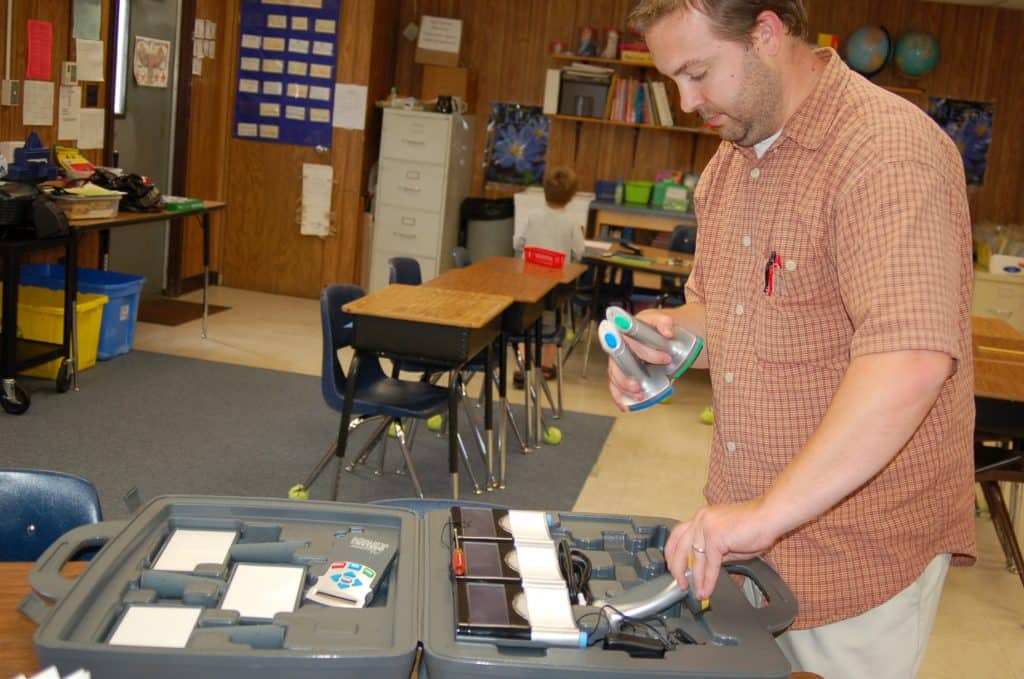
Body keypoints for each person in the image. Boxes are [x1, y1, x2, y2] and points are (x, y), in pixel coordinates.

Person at [610, 2, 976, 677]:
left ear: (767, 33)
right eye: (671, 80)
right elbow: (727, 315)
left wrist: (765, 514)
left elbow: (911, 361)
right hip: (746, 547)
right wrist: (667, 339)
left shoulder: (887, 153)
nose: (686, 102)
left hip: (858, 562)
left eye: (697, 72)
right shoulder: (729, 166)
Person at [514, 166, 585, 383]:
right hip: (555, 285)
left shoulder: (532, 216)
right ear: (571, 196)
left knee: (525, 319)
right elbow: (579, 252)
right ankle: (547, 365)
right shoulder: (572, 221)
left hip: (528, 282)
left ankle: (523, 364)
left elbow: (517, 243)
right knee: (553, 318)